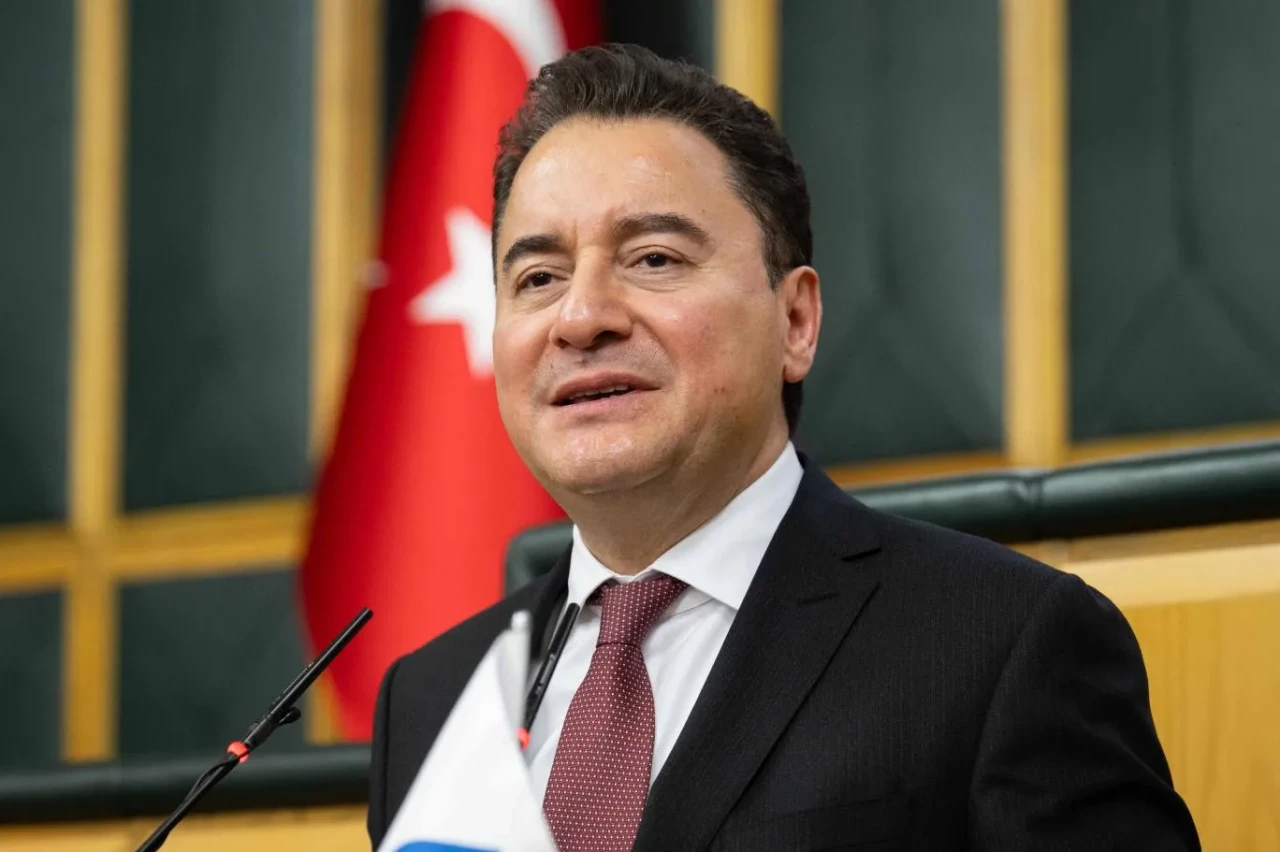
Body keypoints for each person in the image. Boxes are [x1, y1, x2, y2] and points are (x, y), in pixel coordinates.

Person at [367, 43, 1199, 851]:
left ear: (795, 321)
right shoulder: (432, 697)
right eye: (538, 278)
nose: (581, 318)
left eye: (653, 258)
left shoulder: (999, 644)